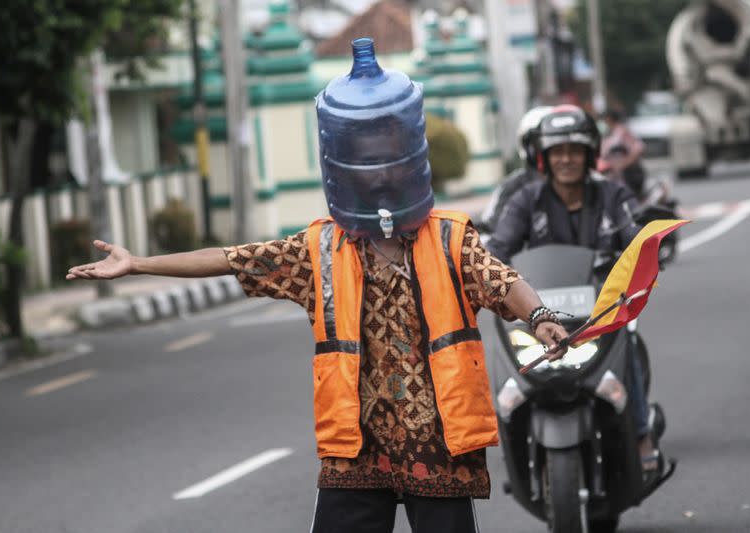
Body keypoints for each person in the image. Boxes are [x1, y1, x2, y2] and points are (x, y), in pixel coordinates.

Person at [67, 39, 570, 533]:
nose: (376, 174)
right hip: (356, 448)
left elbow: (502, 281)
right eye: (364, 161)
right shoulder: (318, 251)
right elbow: (229, 259)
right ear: (342, 166)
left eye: (387, 159)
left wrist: (541, 317)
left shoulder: (449, 240)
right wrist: (138, 264)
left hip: (437, 444)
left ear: (407, 159)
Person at [486, 104, 659, 472]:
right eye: (557, 152)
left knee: (628, 338)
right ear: (543, 158)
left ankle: (641, 432)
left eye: (574, 150)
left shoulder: (615, 196)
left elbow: (636, 237)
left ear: (589, 154)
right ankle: (513, 437)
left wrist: (647, 243)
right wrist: (484, 268)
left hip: (603, 310)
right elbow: (498, 250)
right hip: (541, 313)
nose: (566, 159)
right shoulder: (524, 201)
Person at [476, 106, 552, 237]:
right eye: (542, 144)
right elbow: (489, 230)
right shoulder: (513, 187)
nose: (564, 158)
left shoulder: (595, 186)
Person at [600, 108, 646, 197]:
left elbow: (638, 148)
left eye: (605, 119)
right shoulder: (609, 133)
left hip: (628, 176)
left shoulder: (622, 132)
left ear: (609, 119)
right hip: (613, 176)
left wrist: (624, 164)